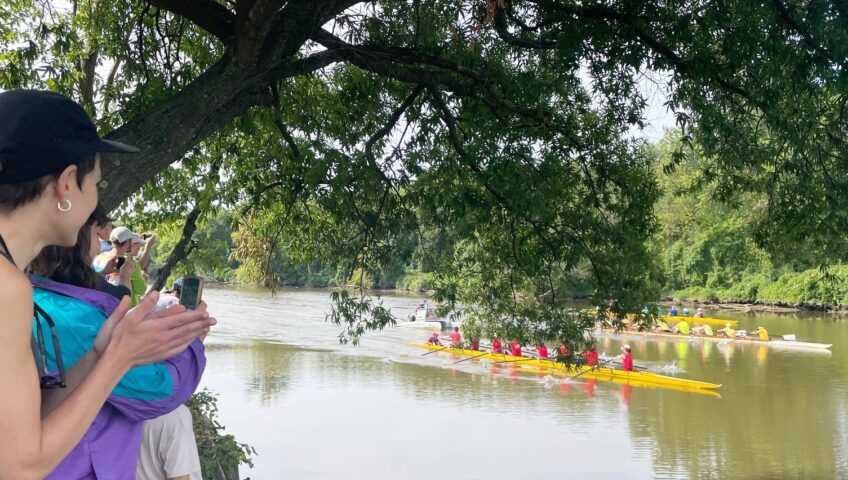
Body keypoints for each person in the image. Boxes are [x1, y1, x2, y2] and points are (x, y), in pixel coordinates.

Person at [0, 89, 213, 478]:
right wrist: (119, 360)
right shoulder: (6, 289)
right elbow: (19, 467)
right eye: (95, 181)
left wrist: (101, 352)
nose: (96, 198)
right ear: (67, 184)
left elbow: (21, 433)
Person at [28, 215, 207, 479]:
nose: (99, 242)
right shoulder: (72, 319)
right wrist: (190, 339)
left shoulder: (31, 297)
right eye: (95, 233)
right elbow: (157, 390)